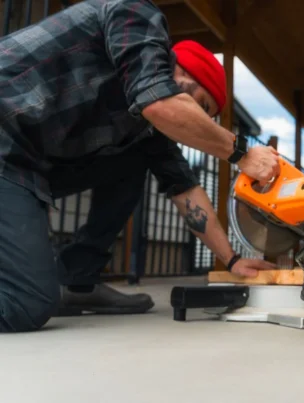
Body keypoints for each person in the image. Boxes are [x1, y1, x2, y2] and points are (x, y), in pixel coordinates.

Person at [0, 0, 280, 333]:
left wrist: (232, 260)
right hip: (6, 132)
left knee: (134, 159)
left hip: (24, 164)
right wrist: (242, 153)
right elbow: (159, 101)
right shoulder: (135, 15)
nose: (199, 120)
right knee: (27, 301)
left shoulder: (147, 131)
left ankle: (77, 280)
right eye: (202, 106)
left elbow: (186, 189)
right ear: (184, 73)